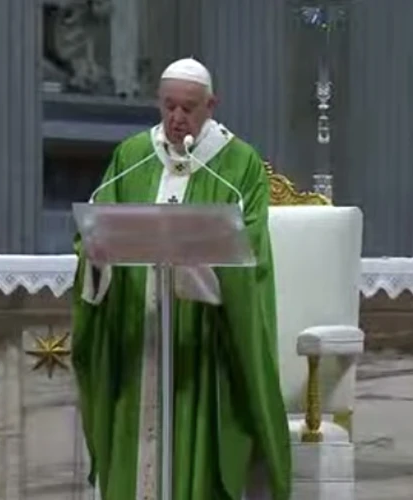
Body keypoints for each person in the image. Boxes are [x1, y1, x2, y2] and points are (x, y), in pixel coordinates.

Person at [72, 57, 292, 499]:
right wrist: (96, 259)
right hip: (140, 335)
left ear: (212, 105)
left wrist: (198, 268)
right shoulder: (132, 156)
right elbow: (98, 229)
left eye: (188, 108)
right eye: (168, 106)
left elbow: (250, 249)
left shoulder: (236, 164)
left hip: (202, 343)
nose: (176, 119)